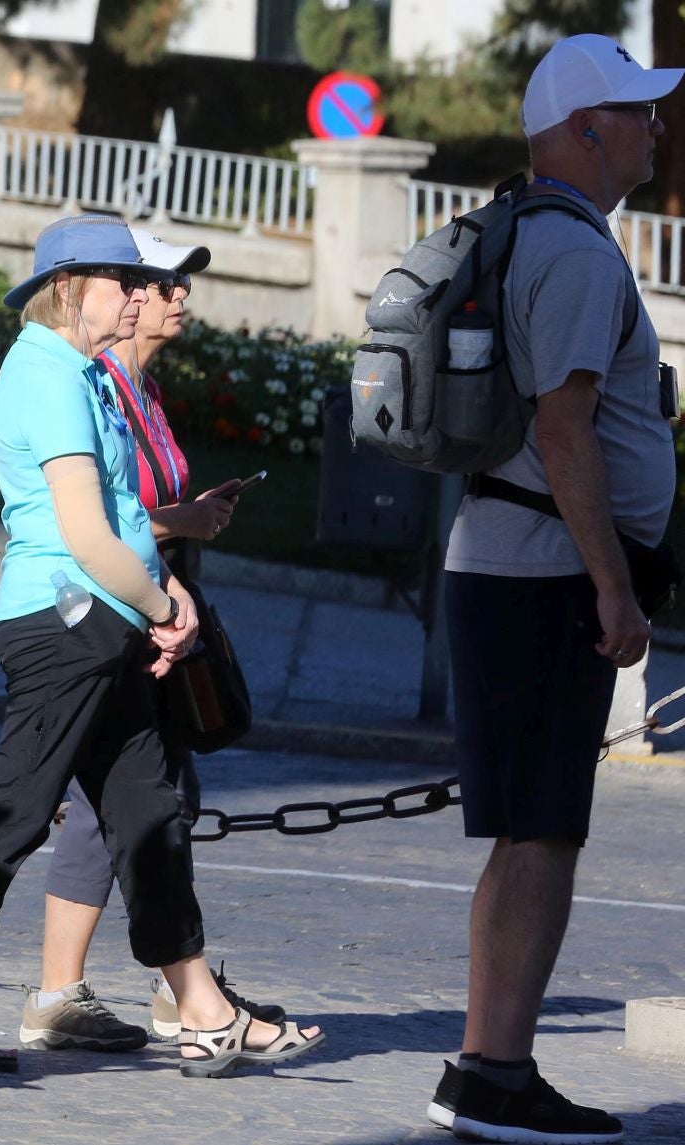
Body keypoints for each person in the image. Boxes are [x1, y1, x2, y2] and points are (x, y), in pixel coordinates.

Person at [0, 214, 322, 1080]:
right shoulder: (45, 373)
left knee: (150, 811)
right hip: (61, 624)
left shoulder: (80, 373)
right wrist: (161, 603)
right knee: (15, 813)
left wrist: (167, 591)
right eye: (123, 280)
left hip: (99, 621)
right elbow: (82, 532)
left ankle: (202, 1008)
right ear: (73, 287)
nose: (138, 294)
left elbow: (122, 515)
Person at [427, 35, 678, 1145]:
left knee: (526, 831)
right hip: (543, 576)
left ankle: (488, 1062)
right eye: (639, 112)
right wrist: (615, 588)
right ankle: (495, 1072)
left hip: (509, 562)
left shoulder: (533, 230)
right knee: (542, 834)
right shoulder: (574, 253)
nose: (657, 130)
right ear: (584, 129)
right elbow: (563, 429)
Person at [20, 229, 287, 1052]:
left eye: (177, 285)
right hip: (102, 606)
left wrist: (190, 520)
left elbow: (141, 508)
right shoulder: (87, 381)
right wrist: (180, 525)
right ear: (121, 295)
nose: (176, 297)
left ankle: (177, 987)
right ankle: (66, 994)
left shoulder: (143, 389)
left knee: (158, 791)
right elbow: (92, 518)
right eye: (163, 282)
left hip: (152, 604)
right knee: (113, 798)